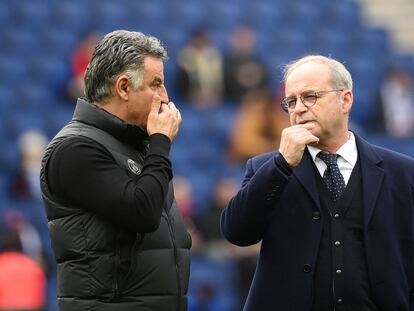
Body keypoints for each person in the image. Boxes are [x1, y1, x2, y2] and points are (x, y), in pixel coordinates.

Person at [220, 55, 414, 310]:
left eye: (310, 96)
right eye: (291, 101)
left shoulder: (402, 172)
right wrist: (281, 165)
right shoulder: (266, 168)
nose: (298, 108)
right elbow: (237, 232)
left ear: (345, 100)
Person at [40, 30, 191, 311]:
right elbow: (142, 213)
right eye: (156, 84)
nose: (165, 97)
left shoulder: (135, 146)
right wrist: (160, 142)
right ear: (123, 87)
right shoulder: (75, 149)